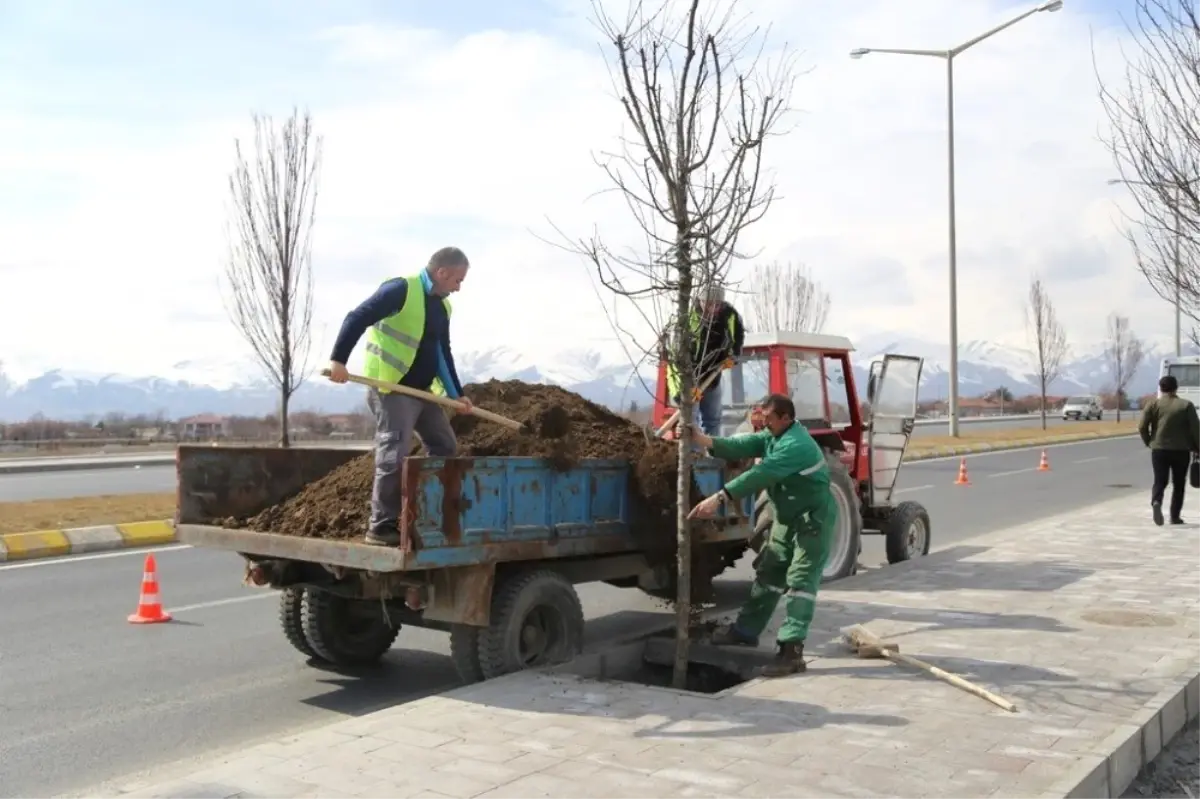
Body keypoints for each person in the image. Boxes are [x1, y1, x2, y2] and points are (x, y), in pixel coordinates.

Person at [326, 246, 474, 546]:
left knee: (444, 445)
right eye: (457, 280)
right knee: (395, 453)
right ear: (442, 272)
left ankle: (423, 514)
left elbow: (441, 353)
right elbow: (357, 317)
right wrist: (338, 361)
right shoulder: (400, 290)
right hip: (393, 389)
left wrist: (457, 394)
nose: (459, 288)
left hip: (423, 392)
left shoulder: (442, 307)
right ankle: (381, 526)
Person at [685, 393, 837, 677]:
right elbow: (743, 443)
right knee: (769, 574)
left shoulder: (795, 445)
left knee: (800, 582)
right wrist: (704, 441)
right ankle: (745, 631)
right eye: (762, 417)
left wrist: (718, 499)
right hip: (786, 518)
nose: (763, 423)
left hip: (811, 521)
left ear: (786, 418)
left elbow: (761, 474)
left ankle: (791, 651)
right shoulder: (774, 435)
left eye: (768, 419)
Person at [665, 284, 745, 437]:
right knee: (690, 421)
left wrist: (733, 355)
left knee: (713, 420)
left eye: (717, 304)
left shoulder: (729, 315)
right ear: (700, 301)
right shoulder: (687, 321)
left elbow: (737, 339)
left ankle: (712, 453)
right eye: (709, 303)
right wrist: (682, 392)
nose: (713, 308)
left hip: (713, 376)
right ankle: (694, 456)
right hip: (689, 379)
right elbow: (675, 363)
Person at [1137, 374, 1200, 526]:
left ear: (1161, 388)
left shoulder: (1153, 405)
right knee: (1179, 483)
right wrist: (1198, 447)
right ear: (1176, 388)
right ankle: (1175, 516)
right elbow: (1196, 429)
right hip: (1181, 450)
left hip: (1159, 449)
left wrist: (1149, 442)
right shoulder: (1186, 405)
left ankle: (1156, 501)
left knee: (1160, 480)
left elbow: (1141, 426)